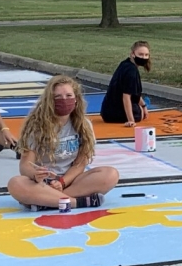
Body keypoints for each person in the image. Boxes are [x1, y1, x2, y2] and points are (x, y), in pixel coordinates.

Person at [8, 75, 119, 210]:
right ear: (50, 100)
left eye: (68, 95)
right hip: (41, 183)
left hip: (70, 181)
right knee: (15, 183)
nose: (64, 100)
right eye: (58, 97)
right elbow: (25, 165)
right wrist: (35, 174)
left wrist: (62, 181)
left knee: (110, 174)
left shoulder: (84, 125)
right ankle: (76, 202)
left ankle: (46, 201)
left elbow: (80, 164)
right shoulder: (35, 126)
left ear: (76, 99)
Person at [100, 40, 151, 127]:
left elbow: (135, 94)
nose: (143, 57)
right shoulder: (131, 71)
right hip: (116, 114)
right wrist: (131, 120)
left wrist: (144, 105)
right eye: (140, 54)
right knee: (140, 113)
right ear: (132, 54)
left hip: (106, 111)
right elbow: (126, 97)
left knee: (140, 108)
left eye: (146, 55)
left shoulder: (125, 64)